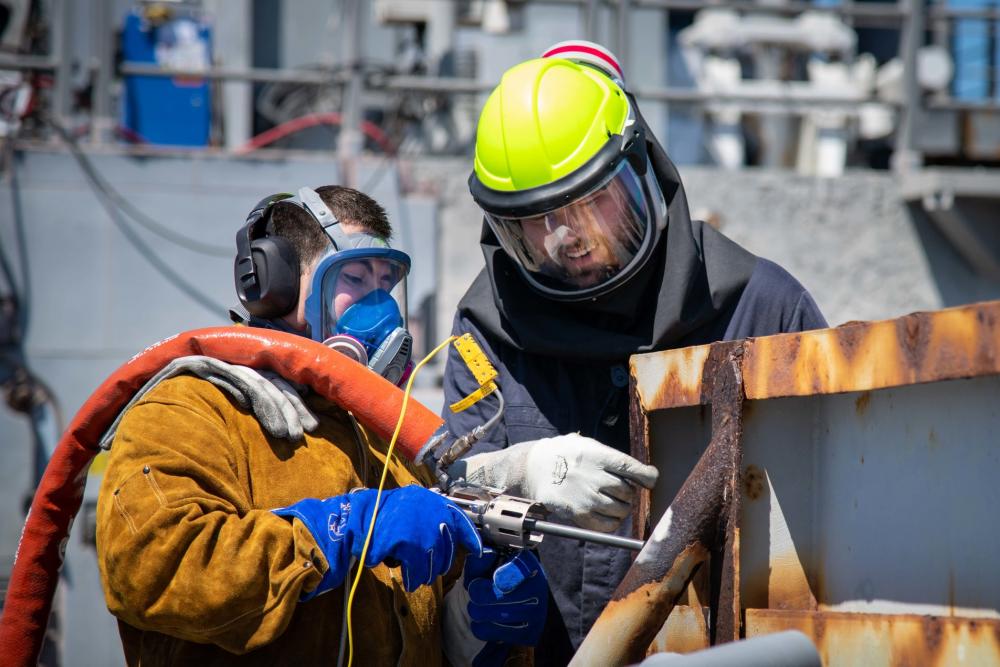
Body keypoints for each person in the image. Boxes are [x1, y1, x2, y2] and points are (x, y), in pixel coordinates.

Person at [441, 41, 827, 665]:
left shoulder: (760, 311)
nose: (567, 238)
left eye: (591, 201)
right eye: (535, 220)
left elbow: (831, 519)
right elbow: (449, 488)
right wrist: (516, 476)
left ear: (643, 166)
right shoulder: (489, 329)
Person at [95, 185, 546, 666]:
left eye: (386, 282)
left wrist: (471, 625)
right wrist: (335, 530)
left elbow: (419, 620)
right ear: (276, 287)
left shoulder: (387, 435)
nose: (380, 305)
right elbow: (148, 569)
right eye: (355, 277)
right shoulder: (192, 409)